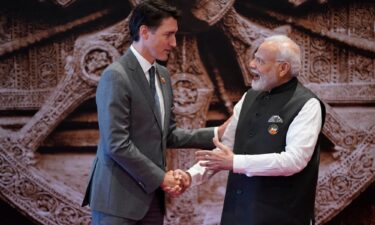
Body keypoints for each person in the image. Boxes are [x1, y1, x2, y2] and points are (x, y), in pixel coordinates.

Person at [81, 1, 226, 224]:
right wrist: (161, 178)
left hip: (151, 201)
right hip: (118, 202)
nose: (174, 43)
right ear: (144, 32)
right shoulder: (116, 76)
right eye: (168, 35)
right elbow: (116, 143)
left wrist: (217, 132)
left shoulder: (162, 76)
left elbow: (169, 134)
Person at [182, 35, 326, 225]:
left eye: (260, 61)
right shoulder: (248, 97)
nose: (251, 65)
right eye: (254, 58)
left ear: (283, 68)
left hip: (281, 217)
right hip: (237, 215)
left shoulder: (307, 104)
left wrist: (235, 162)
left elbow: (294, 160)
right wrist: (189, 176)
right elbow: (225, 149)